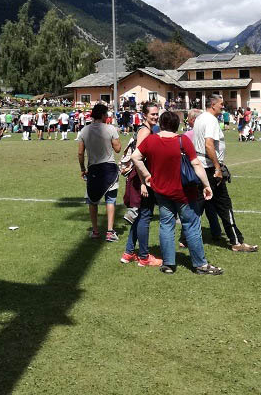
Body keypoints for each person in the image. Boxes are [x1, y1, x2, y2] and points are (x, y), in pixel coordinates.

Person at [130, 110, 222, 275]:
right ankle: (200, 264)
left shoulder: (151, 140)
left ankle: (168, 264)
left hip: (161, 191)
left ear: (161, 123)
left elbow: (135, 157)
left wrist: (147, 175)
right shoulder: (182, 140)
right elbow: (196, 165)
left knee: (166, 224)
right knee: (192, 225)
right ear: (176, 125)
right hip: (184, 192)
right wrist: (206, 185)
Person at [192, 95, 258, 252]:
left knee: (199, 205)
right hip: (209, 168)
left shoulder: (200, 118)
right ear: (213, 105)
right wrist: (217, 167)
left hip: (200, 167)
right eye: (221, 104)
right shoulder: (211, 120)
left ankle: (186, 238)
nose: (223, 107)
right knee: (224, 205)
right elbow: (209, 145)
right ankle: (236, 241)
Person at [120, 101, 162, 267]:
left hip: (140, 178)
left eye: (157, 114)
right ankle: (144, 257)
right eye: (152, 114)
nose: (155, 117)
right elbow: (137, 158)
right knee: (145, 215)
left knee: (139, 217)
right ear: (145, 115)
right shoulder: (145, 131)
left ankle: (129, 253)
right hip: (140, 179)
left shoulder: (147, 129)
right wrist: (144, 183)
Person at [77, 102, 122, 242]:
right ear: (103, 115)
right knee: (111, 199)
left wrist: (83, 169)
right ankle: (109, 231)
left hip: (93, 168)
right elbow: (118, 149)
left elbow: (80, 153)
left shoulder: (84, 131)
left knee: (92, 200)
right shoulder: (110, 129)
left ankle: (95, 231)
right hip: (109, 167)